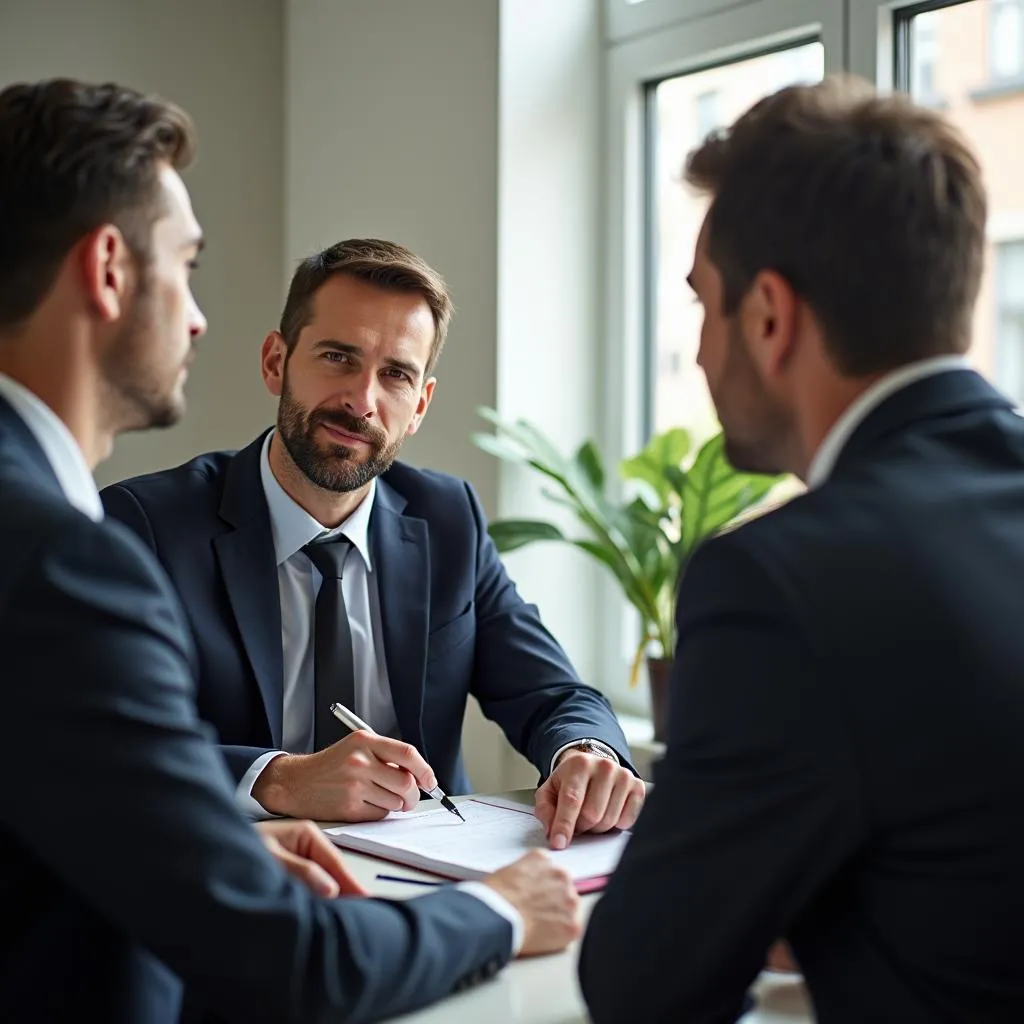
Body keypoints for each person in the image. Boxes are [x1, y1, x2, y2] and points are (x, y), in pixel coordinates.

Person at [0, 76, 581, 1024]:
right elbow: (288, 961)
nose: (194, 316)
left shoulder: (448, 517)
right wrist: (499, 911)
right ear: (109, 270)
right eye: (185, 266)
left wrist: (190, 849)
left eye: (396, 374)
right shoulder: (82, 551)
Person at [579, 76, 1024, 1023]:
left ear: (770, 317)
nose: (700, 351)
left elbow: (642, 986)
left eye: (706, 305)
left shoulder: (782, 584)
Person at [101, 237, 645, 849]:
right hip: (227, 870)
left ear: (419, 405)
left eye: (395, 375)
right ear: (276, 362)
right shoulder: (146, 525)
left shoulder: (449, 520)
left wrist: (586, 753)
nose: (362, 402)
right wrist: (278, 780)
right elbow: (101, 741)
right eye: (338, 357)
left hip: (424, 871)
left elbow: (552, 692)